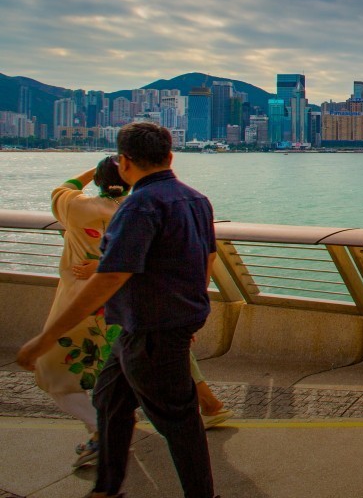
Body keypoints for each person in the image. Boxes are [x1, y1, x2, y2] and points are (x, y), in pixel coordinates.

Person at [18, 122, 219, 498]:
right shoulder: (195, 199)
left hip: (152, 330)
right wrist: (193, 309)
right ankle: (107, 489)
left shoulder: (140, 206)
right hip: (139, 329)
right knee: (110, 401)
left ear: (125, 162)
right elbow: (207, 259)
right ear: (170, 156)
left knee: (178, 422)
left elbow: (109, 278)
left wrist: (45, 339)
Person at [35, 156, 129, 467]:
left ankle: (100, 431)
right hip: (117, 307)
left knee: (52, 373)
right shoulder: (134, 211)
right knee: (113, 377)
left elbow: (63, 188)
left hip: (77, 307)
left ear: (100, 181)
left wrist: (96, 169)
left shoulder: (77, 208)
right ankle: (104, 432)